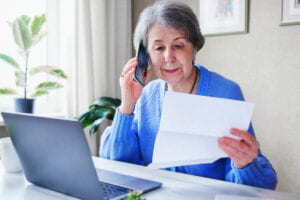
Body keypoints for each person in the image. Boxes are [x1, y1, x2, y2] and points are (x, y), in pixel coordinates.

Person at [100, 0, 277, 190]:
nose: (168, 57)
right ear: (145, 56)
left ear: (194, 47)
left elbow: (264, 184)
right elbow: (119, 163)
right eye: (159, 48)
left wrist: (245, 164)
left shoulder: (225, 92)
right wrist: (127, 106)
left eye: (178, 45)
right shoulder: (147, 95)